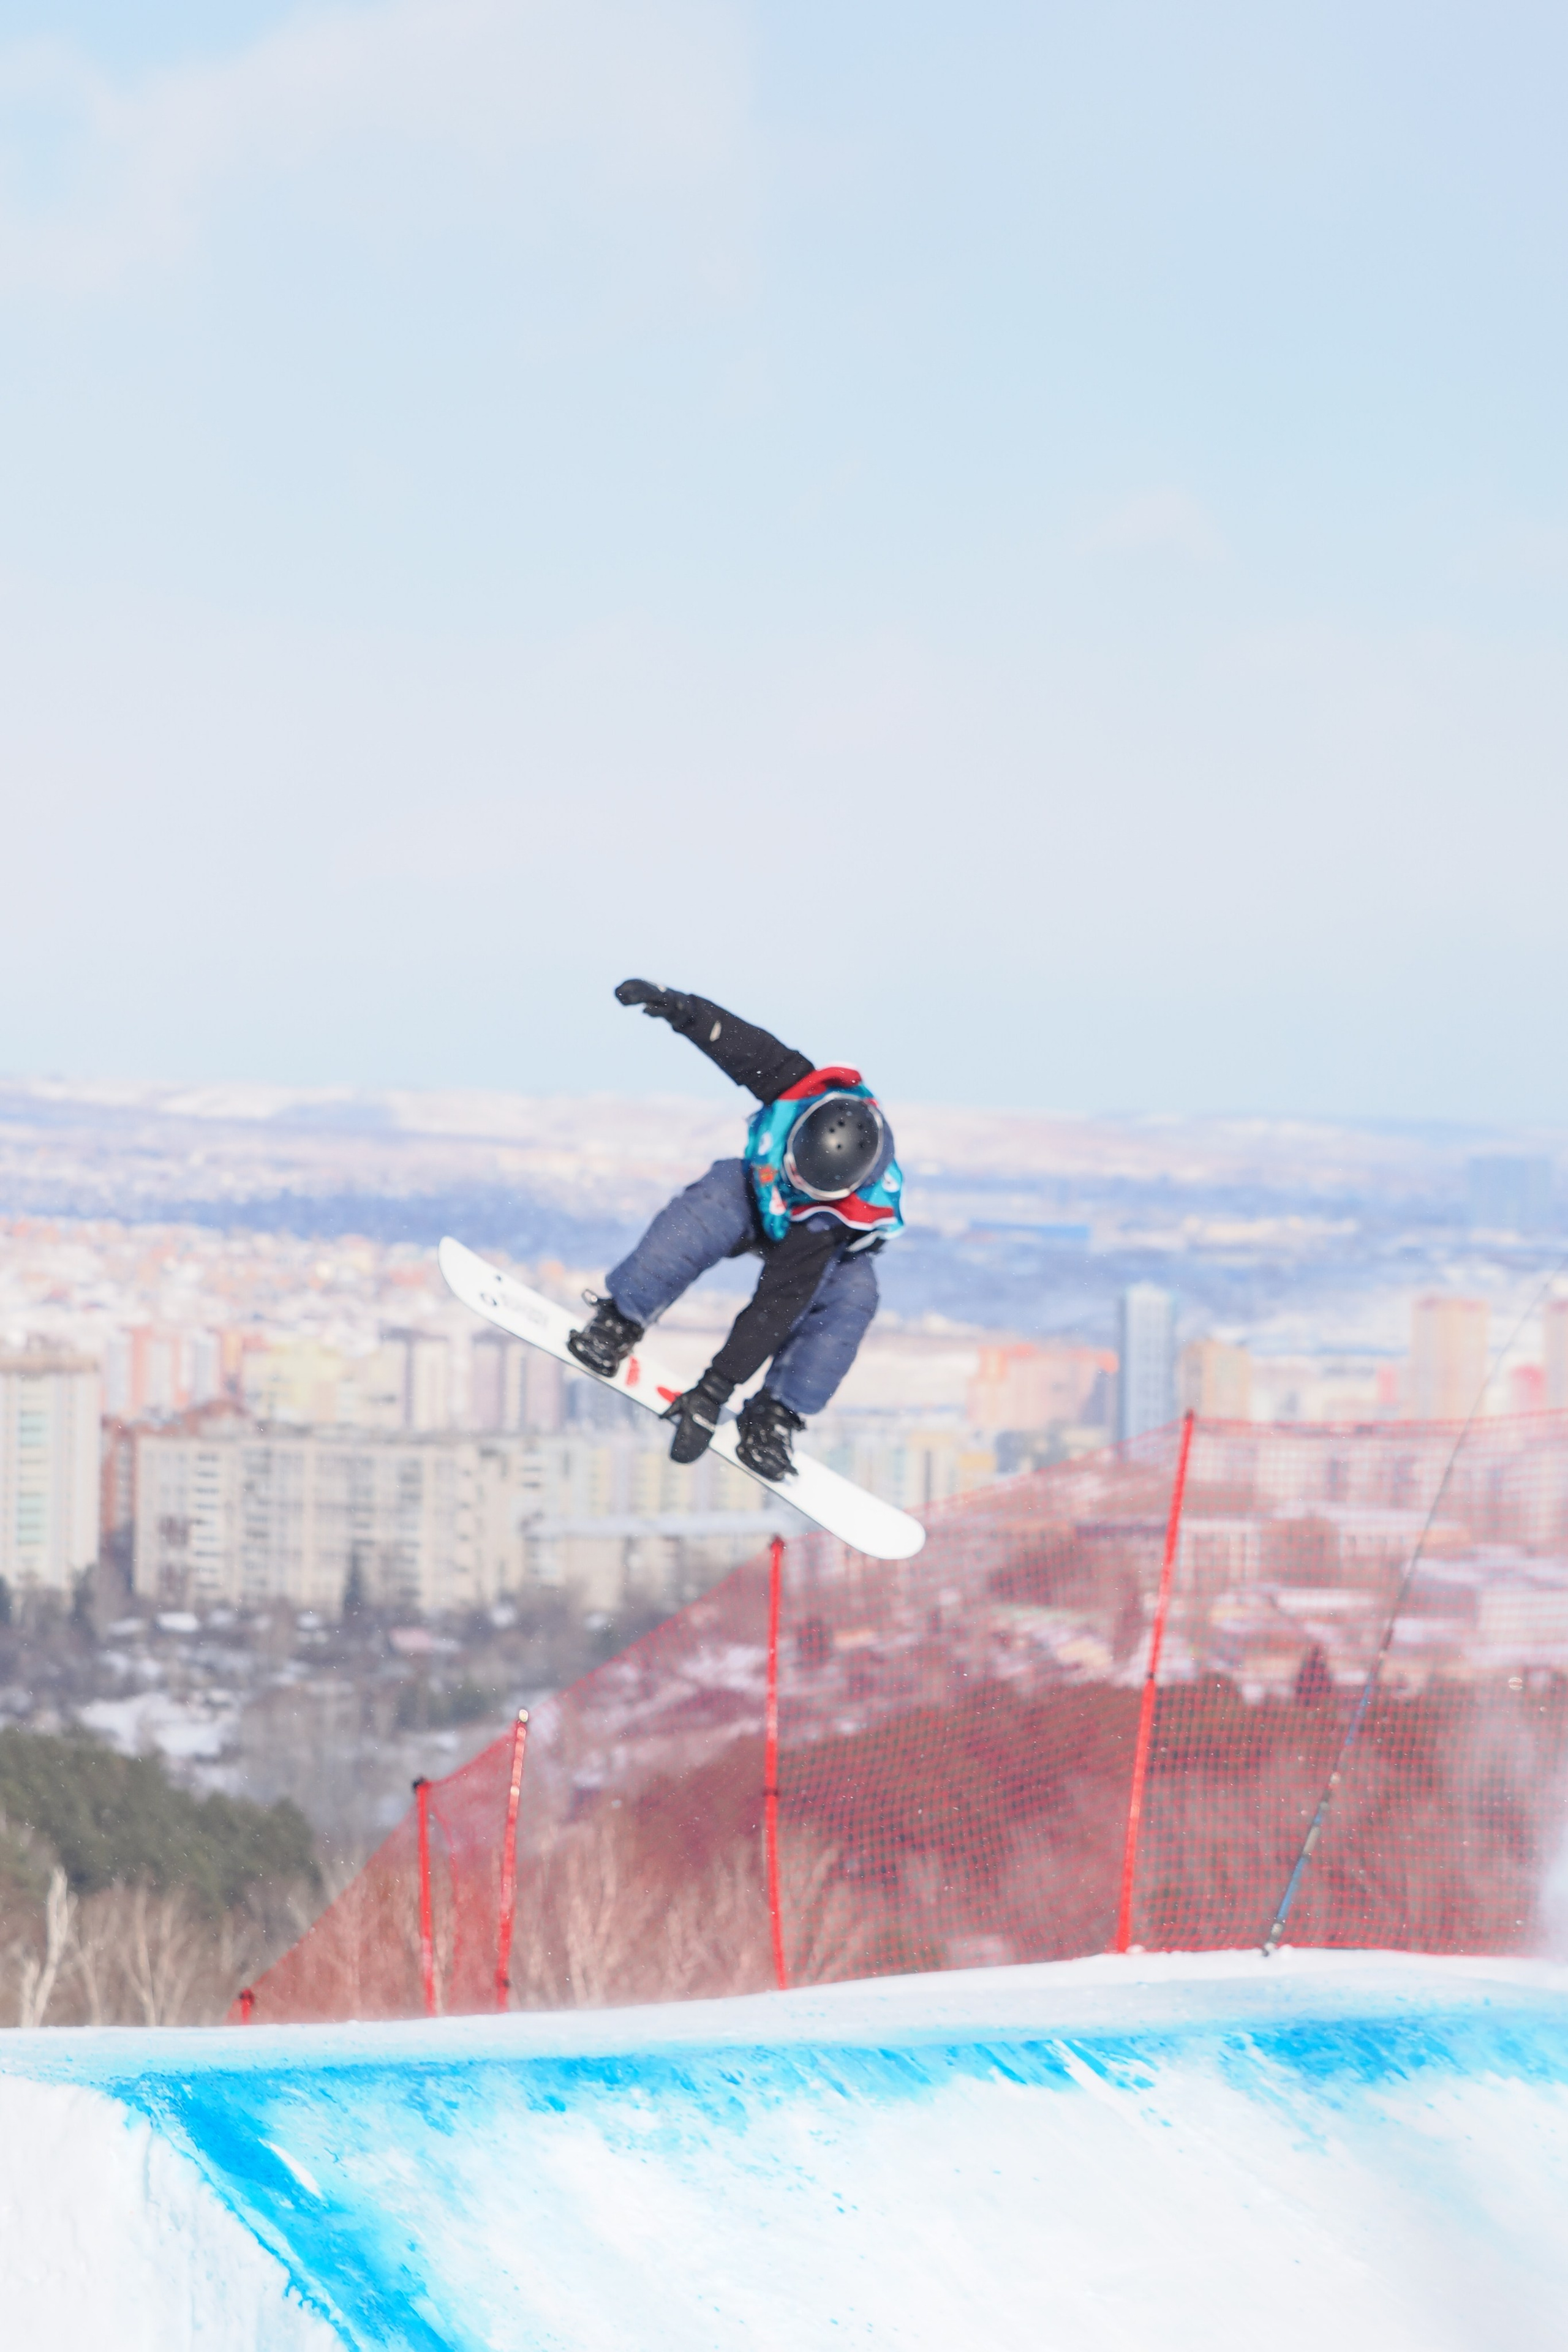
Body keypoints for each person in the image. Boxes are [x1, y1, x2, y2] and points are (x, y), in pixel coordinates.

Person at [567, 981, 905, 1482]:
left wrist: (713, 1392)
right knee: (708, 1204)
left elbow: (775, 1306)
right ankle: (621, 1320)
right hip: (752, 1200)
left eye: (807, 1184)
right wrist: (682, 1009)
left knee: (854, 1298)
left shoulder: (828, 1223)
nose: (796, 1183)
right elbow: (739, 1042)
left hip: (814, 1250)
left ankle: (775, 1415)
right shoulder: (799, 1086)